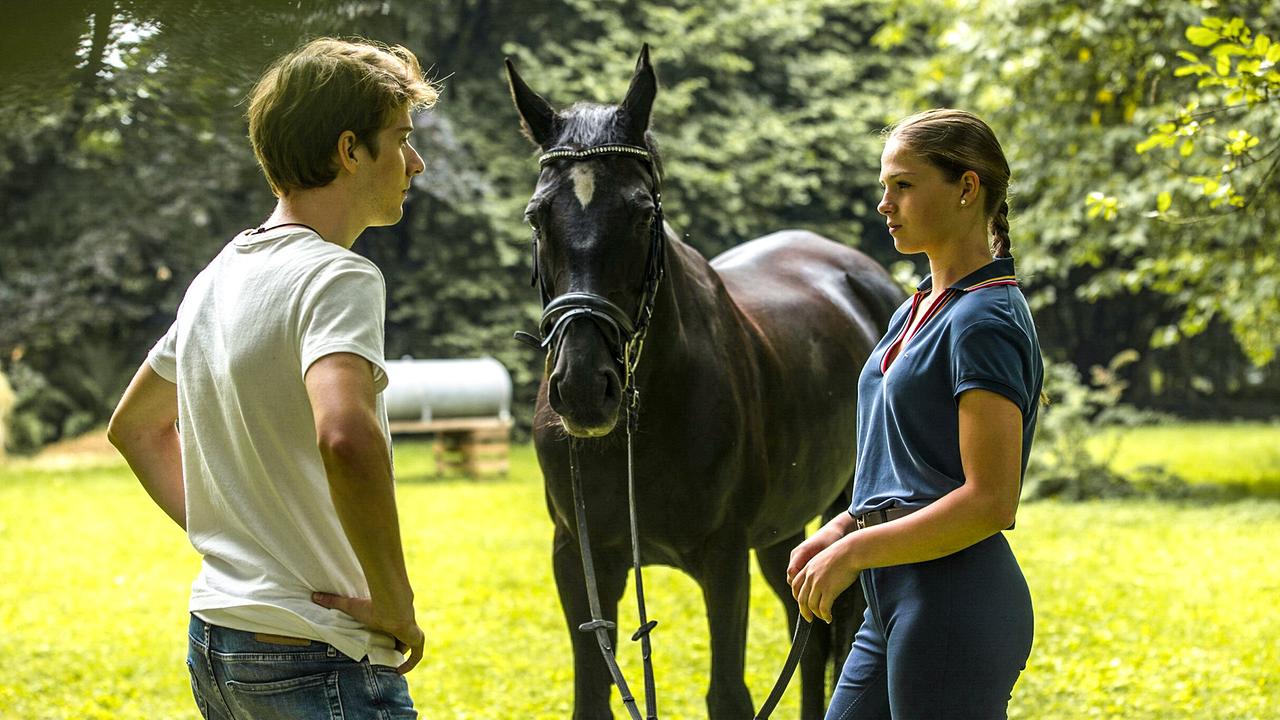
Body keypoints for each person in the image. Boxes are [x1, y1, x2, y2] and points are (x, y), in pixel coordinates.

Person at [108, 37, 439, 719]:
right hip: (318, 657)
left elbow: (135, 430)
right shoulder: (338, 276)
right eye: (401, 139)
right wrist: (395, 599)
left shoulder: (218, 276)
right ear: (350, 150)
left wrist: (241, 541)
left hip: (218, 641)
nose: (416, 162)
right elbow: (345, 435)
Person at [787, 108, 1043, 719]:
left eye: (902, 185)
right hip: (891, 599)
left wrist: (852, 554)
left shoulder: (984, 320)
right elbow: (914, 469)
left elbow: (990, 501)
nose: (885, 204)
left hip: (954, 603)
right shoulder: (917, 308)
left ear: (966, 187)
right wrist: (845, 526)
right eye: (884, 186)